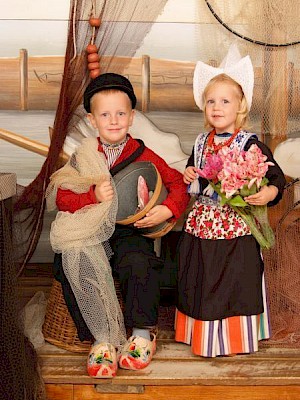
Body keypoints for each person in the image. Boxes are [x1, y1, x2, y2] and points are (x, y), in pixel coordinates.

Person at [46, 72, 190, 377]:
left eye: (121, 113)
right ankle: (101, 339)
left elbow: (178, 184)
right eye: (105, 114)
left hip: (126, 229)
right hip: (90, 229)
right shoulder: (83, 156)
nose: (114, 120)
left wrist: (167, 209)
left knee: (139, 261)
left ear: (132, 116)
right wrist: (91, 195)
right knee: (70, 262)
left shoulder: (143, 154)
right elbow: (62, 198)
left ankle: (141, 332)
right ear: (92, 120)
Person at [174, 45, 286, 357]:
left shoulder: (249, 143)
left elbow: (276, 176)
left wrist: (270, 192)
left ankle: (236, 335)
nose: (216, 107)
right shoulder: (200, 141)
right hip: (202, 224)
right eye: (211, 101)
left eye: (225, 101)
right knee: (201, 275)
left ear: (240, 107)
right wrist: (188, 175)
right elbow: (193, 169)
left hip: (236, 227)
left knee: (234, 278)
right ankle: (202, 332)